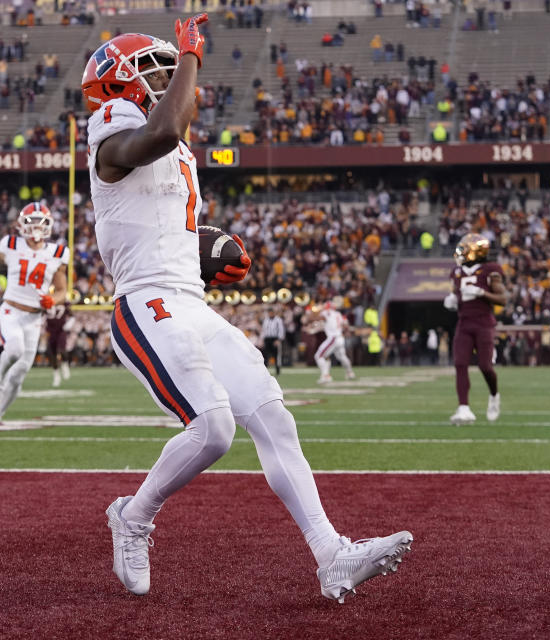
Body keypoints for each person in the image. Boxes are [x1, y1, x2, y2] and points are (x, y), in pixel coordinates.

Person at [82, 16, 411, 604]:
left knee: (274, 418)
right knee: (212, 429)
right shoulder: (112, 125)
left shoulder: (174, 145)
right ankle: (132, 516)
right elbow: (157, 135)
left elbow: (163, 223)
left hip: (190, 300)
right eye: (153, 71)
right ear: (119, 80)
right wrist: (188, 55)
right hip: (145, 302)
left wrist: (209, 253)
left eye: (167, 70)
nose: (165, 80)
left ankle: (331, 554)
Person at [0, 202, 68, 441]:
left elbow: (62, 290)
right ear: (21, 224)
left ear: (49, 225)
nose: (35, 228)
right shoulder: (10, 245)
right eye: (30, 222)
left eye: (39, 223)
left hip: (34, 318)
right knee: (14, 349)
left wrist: (53, 300)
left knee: (20, 374)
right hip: (10, 309)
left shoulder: (58, 253)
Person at [443, 233, 508, 425]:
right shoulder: (457, 271)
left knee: (485, 367)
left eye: (465, 248)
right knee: (460, 364)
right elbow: (457, 294)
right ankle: (464, 408)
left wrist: (481, 292)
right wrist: (454, 301)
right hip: (464, 322)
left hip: (483, 323)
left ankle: (494, 395)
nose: (461, 252)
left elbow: (503, 300)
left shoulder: (490, 270)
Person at [312, 301, 355, 383]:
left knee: (318, 356)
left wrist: (314, 313)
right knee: (341, 357)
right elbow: (345, 325)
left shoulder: (326, 312)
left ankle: (325, 376)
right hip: (340, 338)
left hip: (333, 338)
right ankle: (350, 372)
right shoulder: (338, 314)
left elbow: (318, 318)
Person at [44, 298, 72, 387]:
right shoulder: (46, 300)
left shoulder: (64, 302)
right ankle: (56, 375)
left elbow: (71, 315)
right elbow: (41, 314)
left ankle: (65, 363)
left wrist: (69, 323)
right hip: (50, 331)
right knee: (52, 354)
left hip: (61, 330)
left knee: (62, 349)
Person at [260, 306, 285, 376]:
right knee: (265, 355)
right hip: (267, 339)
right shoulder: (266, 320)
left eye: (271, 312)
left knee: (276, 355)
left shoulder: (278, 320)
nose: (270, 314)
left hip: (275, 339)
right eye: (269, 313)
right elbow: (264, 330)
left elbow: (281, 330)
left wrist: (279, 340)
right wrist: (262, 339)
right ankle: (265, 371)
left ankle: (278, 371)